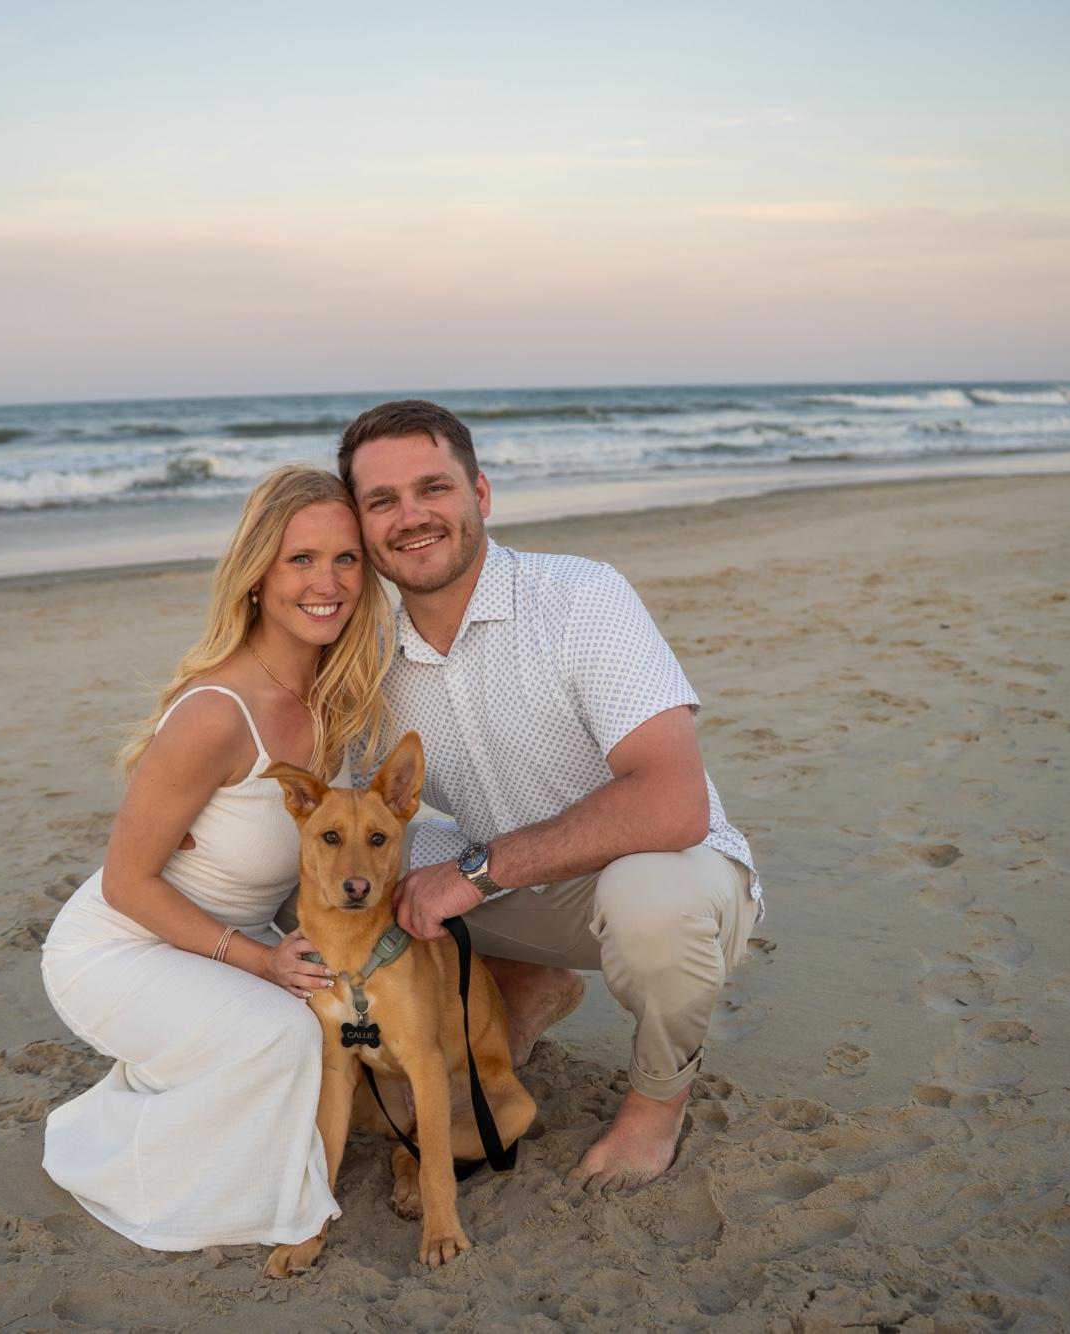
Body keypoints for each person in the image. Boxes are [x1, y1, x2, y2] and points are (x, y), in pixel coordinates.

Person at [335, 400, 762, 1191]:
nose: (412, 516)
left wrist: (476, 872)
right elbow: (329, 798)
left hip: (666, 877)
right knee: (320, 889)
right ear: (359, 526)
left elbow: (674, 804)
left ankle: (655, 1107)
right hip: (518, 888)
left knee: (653, 903)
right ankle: (525, 985)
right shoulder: (370, 654)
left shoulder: (578, 597)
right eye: (382, 501)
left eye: (434, 488)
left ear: (481, 494)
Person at [38, 466, 392, 1251]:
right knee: (290, 1035)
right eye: (300, 559)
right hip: (122, 945)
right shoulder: (215, 712)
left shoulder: (339, 700)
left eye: (346, 559)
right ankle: (109, 1155)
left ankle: (159, 1088)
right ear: (258, 575)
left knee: (339, 1021)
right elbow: (128, 882)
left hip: (219, 945)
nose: (326, 582)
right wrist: (259, 963)